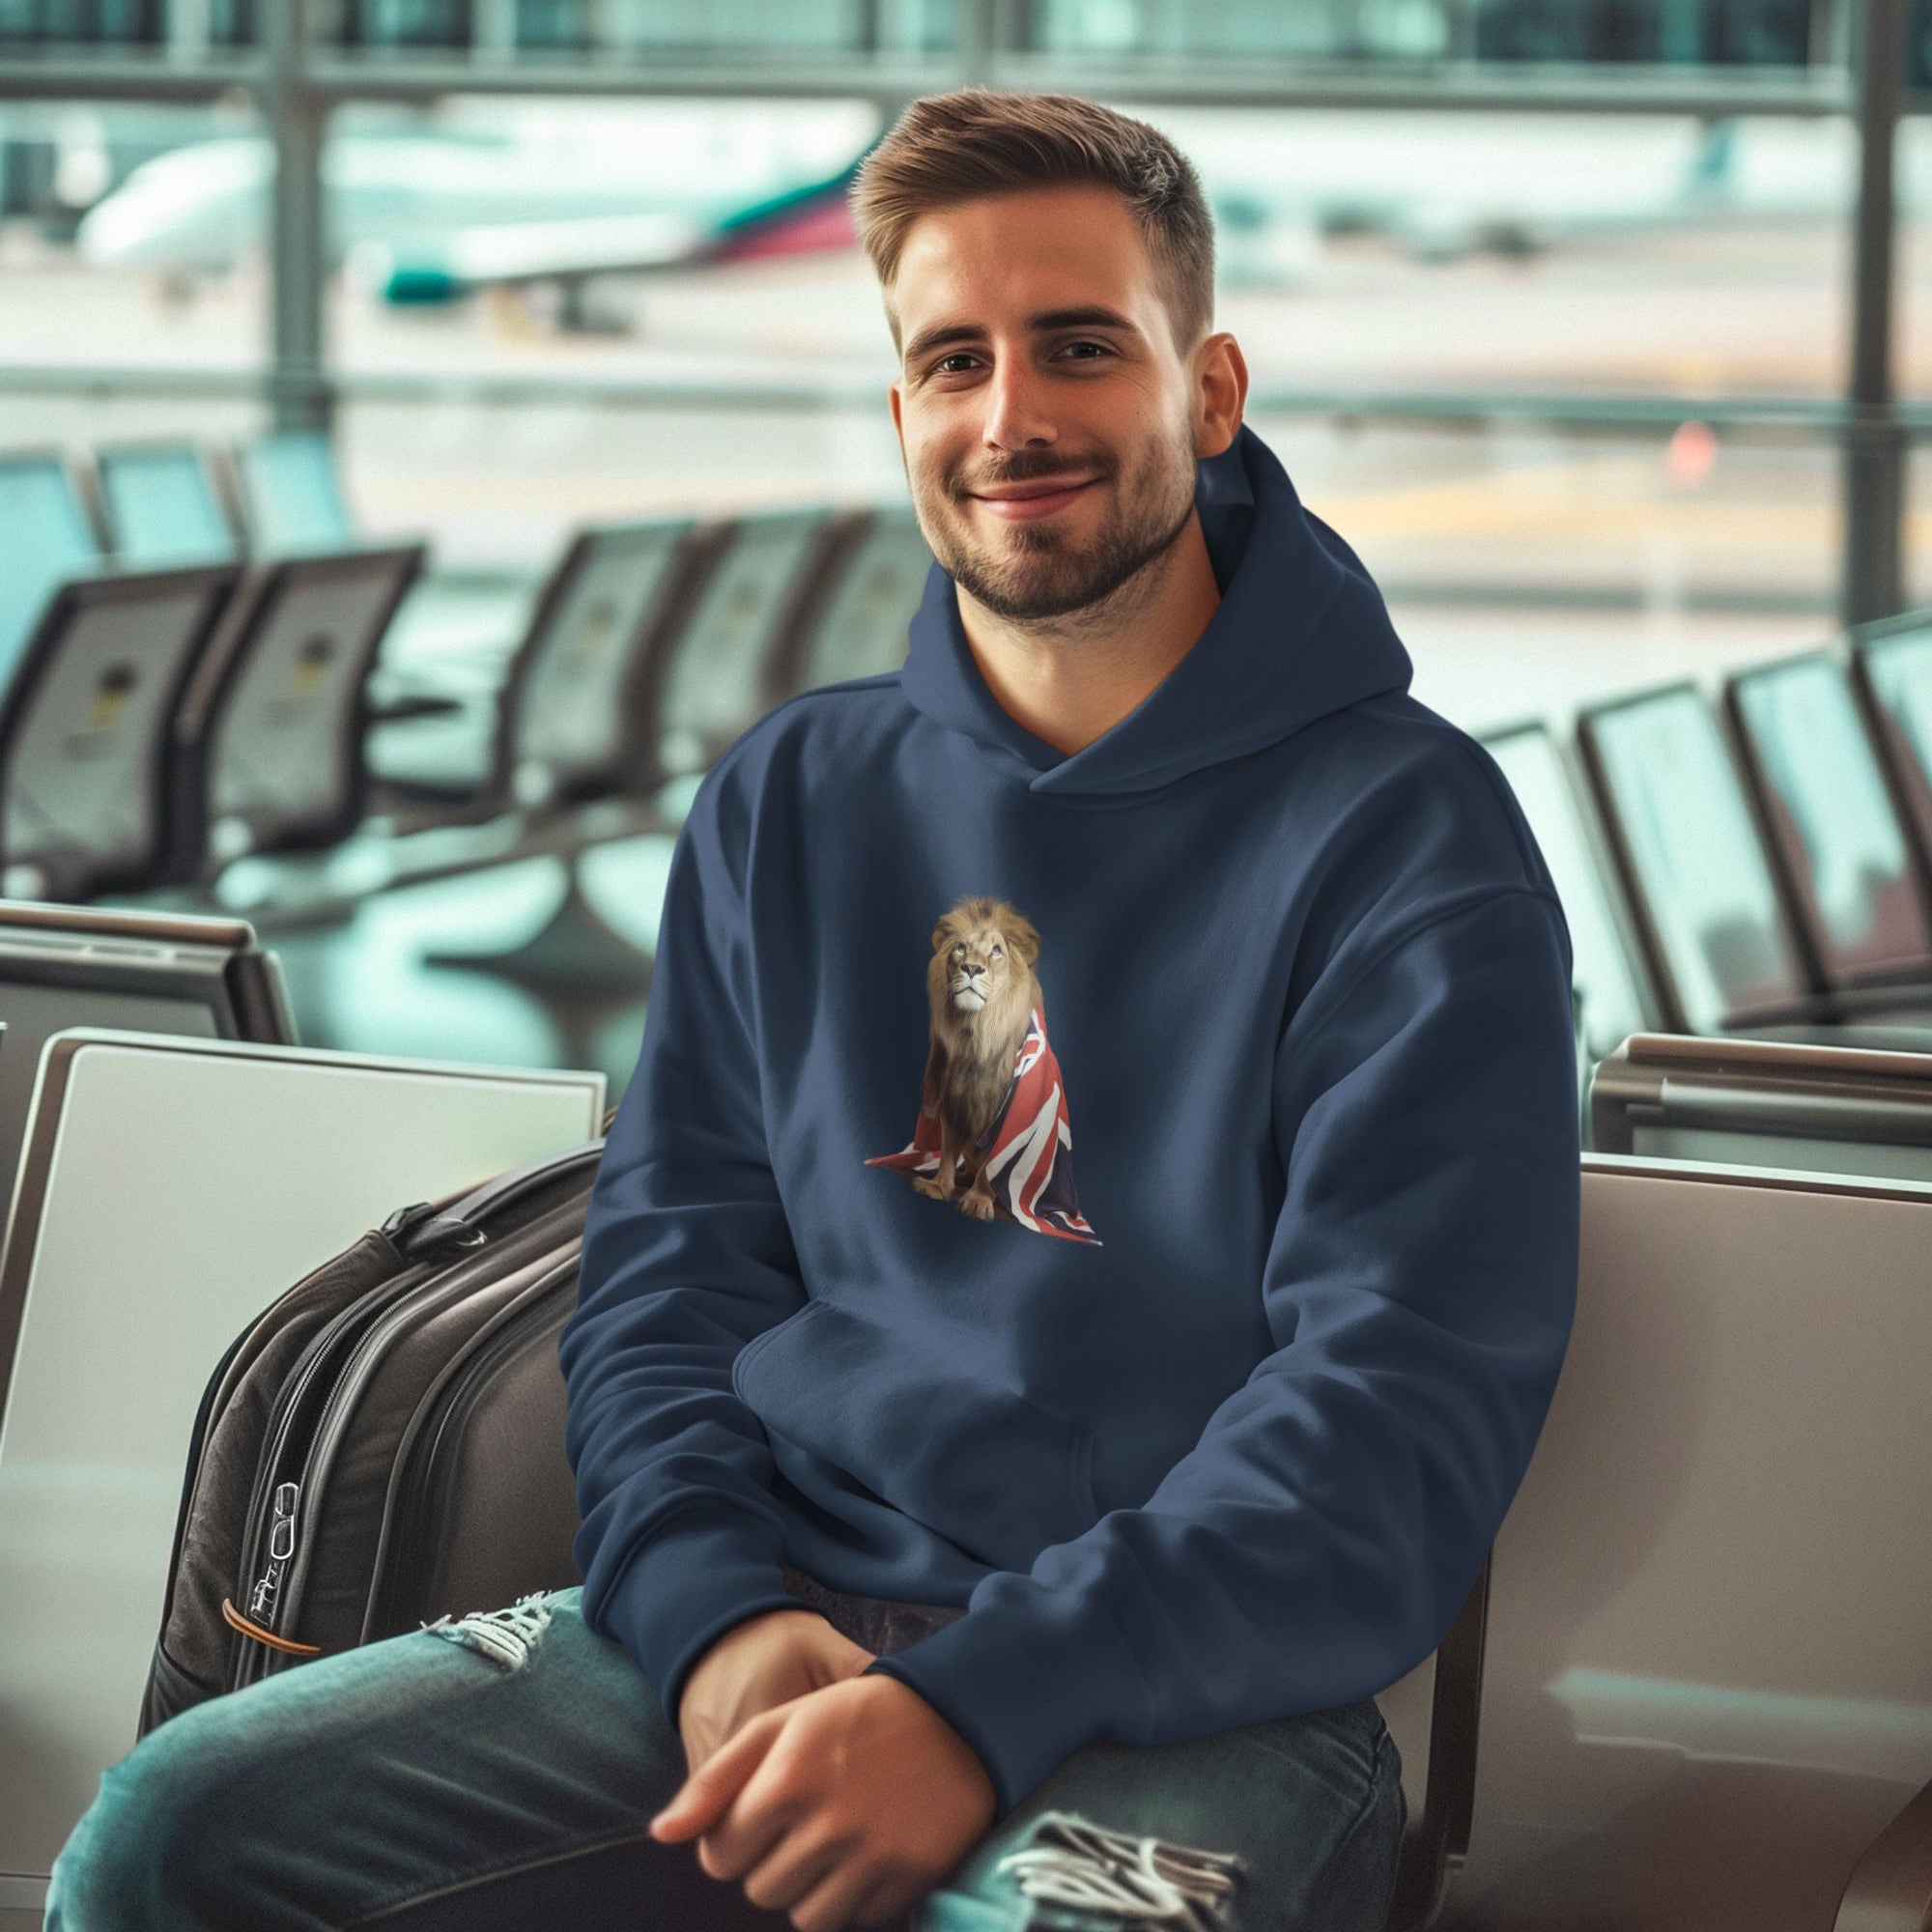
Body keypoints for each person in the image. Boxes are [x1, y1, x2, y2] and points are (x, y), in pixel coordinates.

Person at [43, 87, 1579, 1932]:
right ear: (905, 412)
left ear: (1212, 390)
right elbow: (666, 1275)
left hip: (1198, 1684)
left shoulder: (1411, 838)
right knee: (170, 1836)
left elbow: (1387, 1409)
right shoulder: (794, 797)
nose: (1012, 416)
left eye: (1080, 349)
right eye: (955, 361)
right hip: (763, 1609)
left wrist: (969, 1704)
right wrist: (713, 1616)